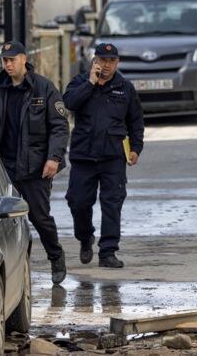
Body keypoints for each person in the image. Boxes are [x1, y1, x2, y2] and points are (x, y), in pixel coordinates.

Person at [0, 41, 69, 284]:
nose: (8, 64)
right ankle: (12, 268)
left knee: (40, 218)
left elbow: (59, 127)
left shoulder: (43, 89)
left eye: (12, 59)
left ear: (24, 59)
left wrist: (54, 158)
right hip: (4, 167)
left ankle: (56, 256)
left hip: (34, 167)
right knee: (2, 220)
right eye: (5, 60)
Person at [63, 43, 144, 269]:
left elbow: (136, 121)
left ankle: (107, 252)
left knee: (112, 204)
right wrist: (90, 83)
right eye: (102, 60)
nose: (106, 65)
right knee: (78, 202)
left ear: (117, 63)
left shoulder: (125, 88)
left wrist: (136, 148)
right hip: (84, 156)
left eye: (111, 61)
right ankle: (85, 237)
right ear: (94, 61)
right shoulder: (80, 82)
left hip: (113, 157)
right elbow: (69, 102)